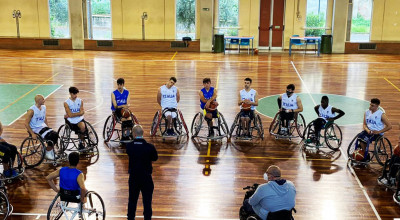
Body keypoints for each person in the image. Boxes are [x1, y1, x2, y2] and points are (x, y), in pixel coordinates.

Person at [126, 125, 158, 220]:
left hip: (134, 178)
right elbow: (155, 158)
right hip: (146, 178)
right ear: (142, 134)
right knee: (147, 202)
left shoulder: (129, 146)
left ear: (134, 134)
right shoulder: (150, 147)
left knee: (132, 201)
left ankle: (130, 218)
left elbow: (130, 152)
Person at [24, 94, 58, 160]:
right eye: (43, 99)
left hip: (42, 127)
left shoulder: (44, 107)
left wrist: (48, 127)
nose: (44, 100)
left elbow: (45, 117)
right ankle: (47, 152)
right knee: (51, 136)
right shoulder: (31, 110)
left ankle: (49, 151)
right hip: (35, 129)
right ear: (38, 101)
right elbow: (26, 123)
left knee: (55, 134)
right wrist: (32, 133)